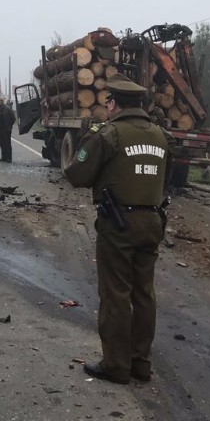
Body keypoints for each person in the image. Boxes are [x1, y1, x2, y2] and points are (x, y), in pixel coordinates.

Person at [63, 74, 173, 385]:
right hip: (152, 221)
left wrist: (88, 140)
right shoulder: (161, 135)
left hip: (118, 223)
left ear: (113, 103)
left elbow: (76, 174)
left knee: (116, 294)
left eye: (108, 102)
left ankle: (116, 365)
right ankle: (141, 363)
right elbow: (166, 179)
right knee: (144, 294)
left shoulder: (109, 134)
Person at [0, 97, 16, 163]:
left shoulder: (7, 109)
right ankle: (3, 157)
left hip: (6, 129)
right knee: (2, 143)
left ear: (2, 101)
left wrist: (9, 125)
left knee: (7, 144)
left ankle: (9, 158)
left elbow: (13, 118)